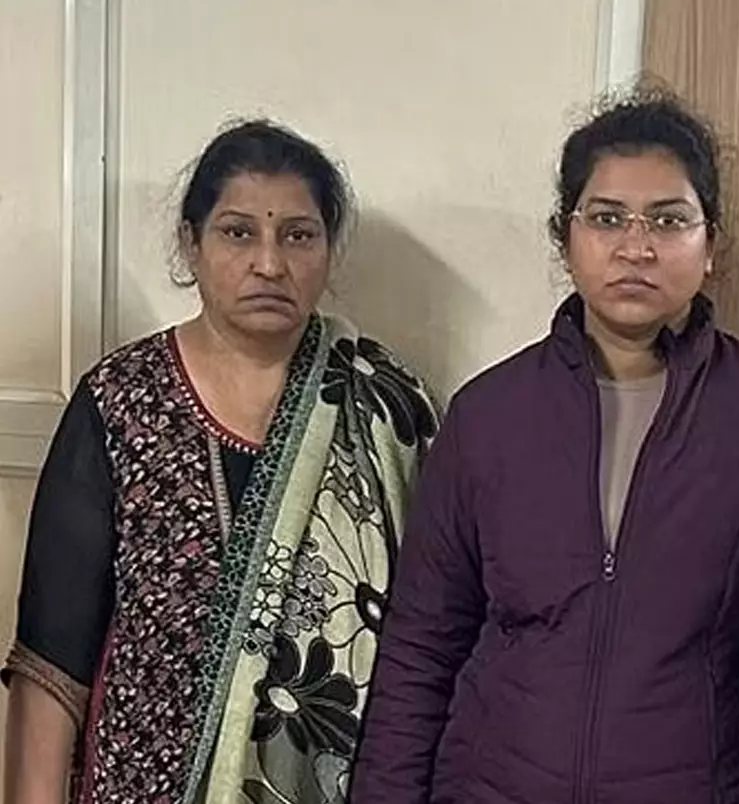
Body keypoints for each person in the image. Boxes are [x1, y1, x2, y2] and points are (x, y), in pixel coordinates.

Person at [350, 88, 739, 804]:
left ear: (711, 245)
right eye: (607, 218)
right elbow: (423, 646)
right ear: (566, 238)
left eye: (669, 220)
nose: (635, 248)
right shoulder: (489, 417)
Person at [2, 119, 438, 804]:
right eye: (238, 232)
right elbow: (52, 660)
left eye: (299, 236)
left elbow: (432, 646)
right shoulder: (123, 401)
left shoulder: (386, 407)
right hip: (142, 786)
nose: (269, 263)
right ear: (191, 243)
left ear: (329, 250)